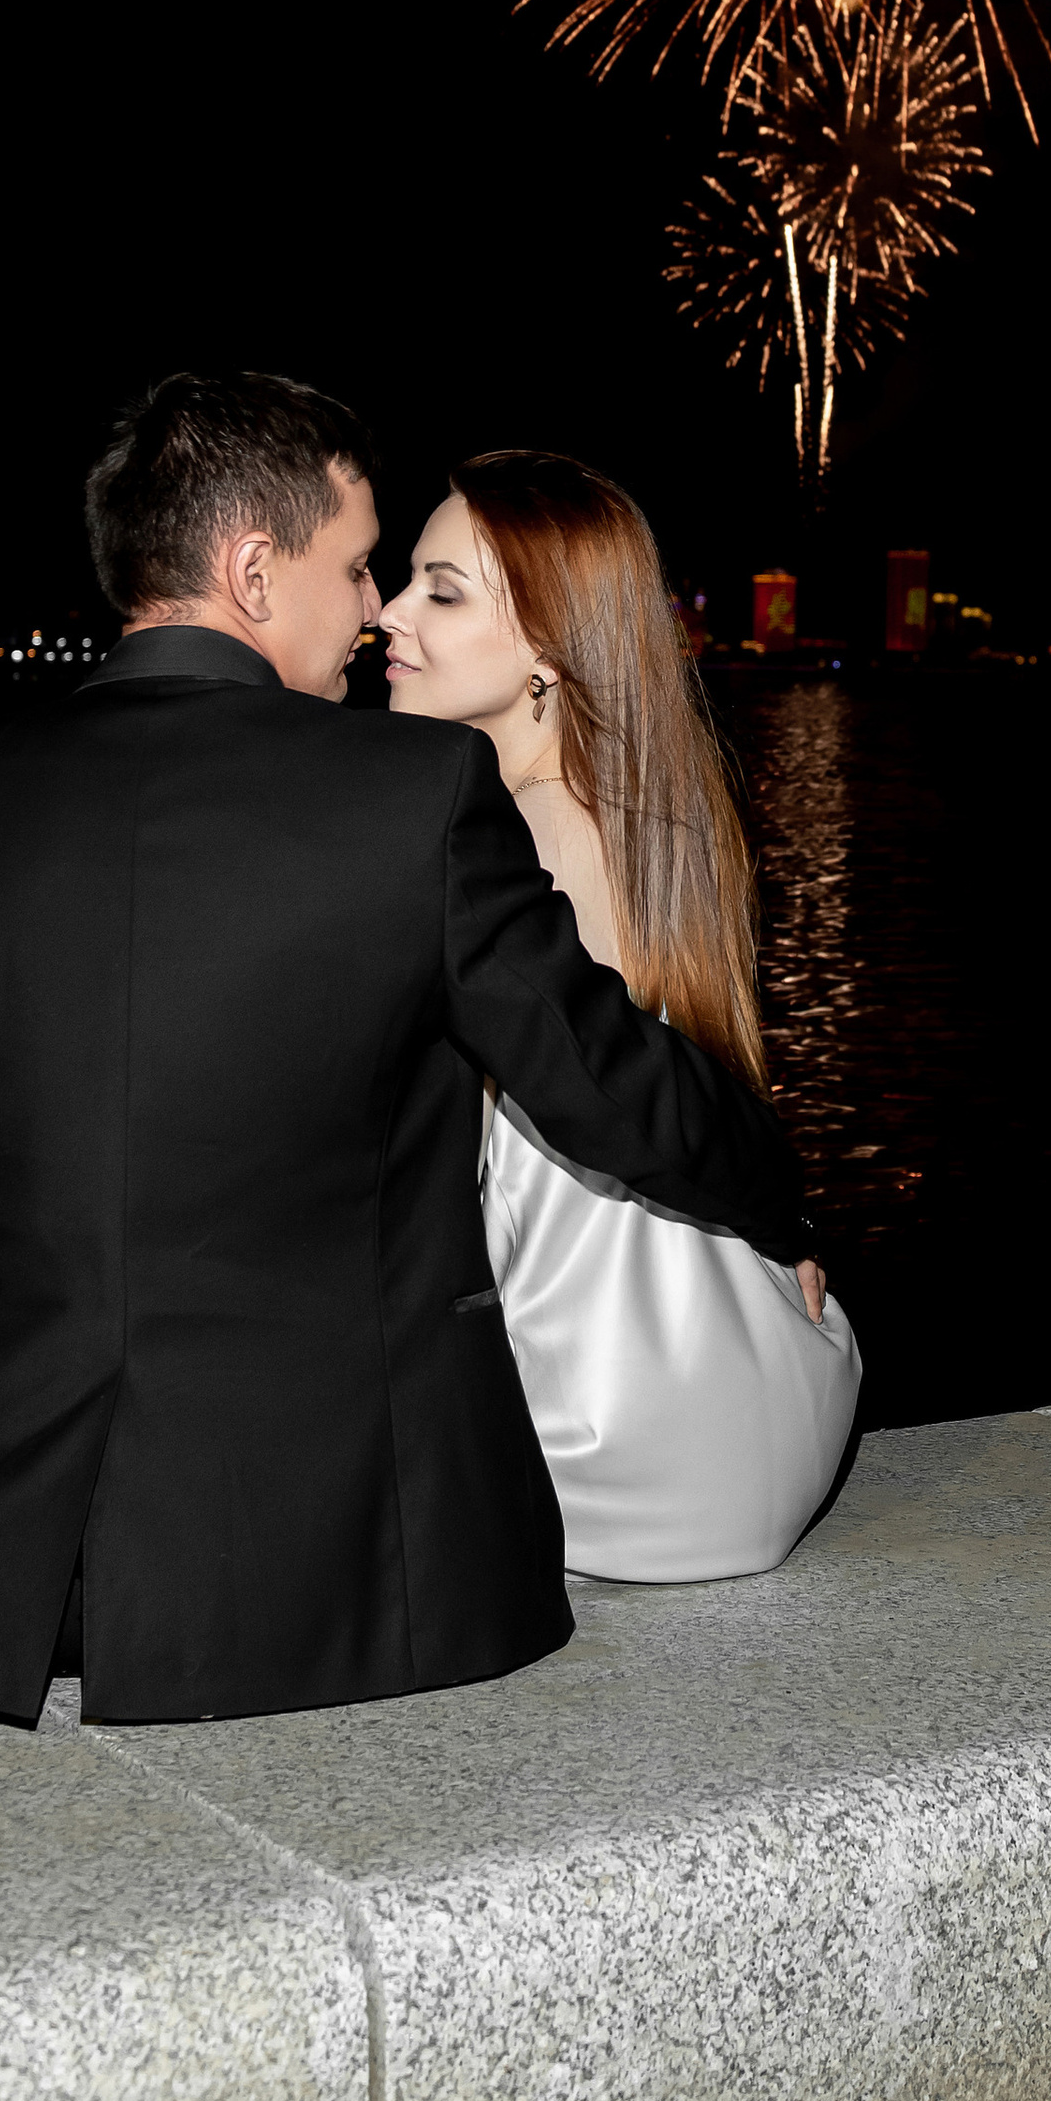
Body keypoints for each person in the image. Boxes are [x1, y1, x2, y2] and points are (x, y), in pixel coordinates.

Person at [0, 373, 812, 1727]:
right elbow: (610, 1087)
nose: (370, 608)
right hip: (331, 1583)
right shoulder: (412, 797)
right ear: (249, 571)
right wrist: (782, 1205)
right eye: (353, 568)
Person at [379, 451, 861, 1581]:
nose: (390, 614)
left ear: (547, 652)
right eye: (404, 580)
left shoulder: (511, 850)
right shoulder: (650, 822)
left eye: (441, 592)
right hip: (756, 1398)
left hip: (607, 1431)